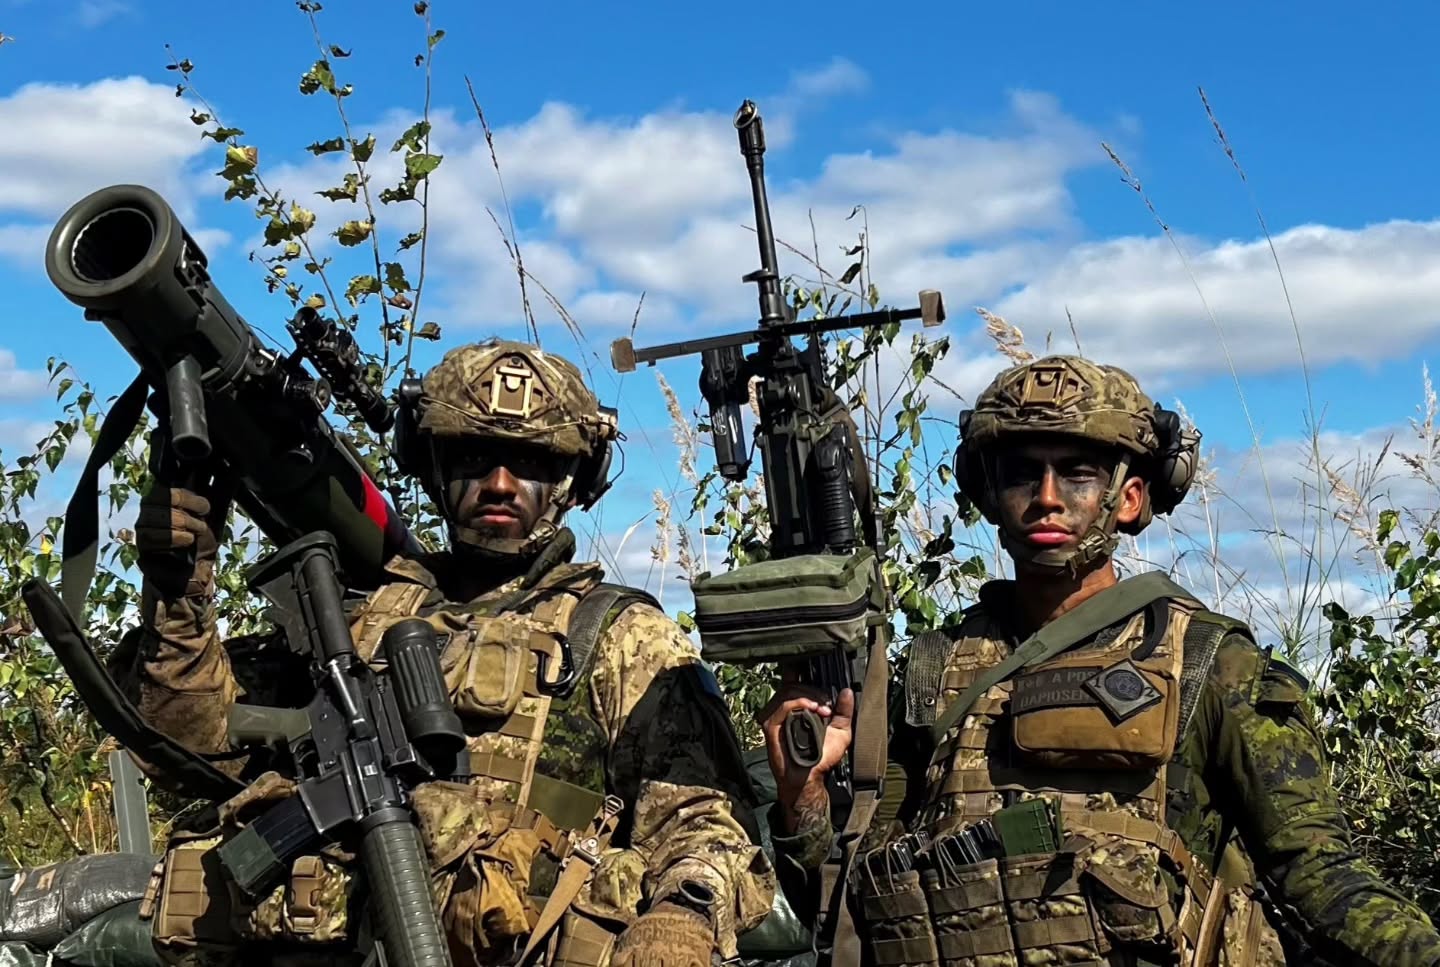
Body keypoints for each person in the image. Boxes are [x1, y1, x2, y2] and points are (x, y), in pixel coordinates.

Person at [2, 339, 776, 967]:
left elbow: (708, 825)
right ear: (435, 465)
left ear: (573, 478)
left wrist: (684, 917)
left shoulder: (618, 637)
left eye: (530, 462)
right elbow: (190, 747)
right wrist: (178, 596)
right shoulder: (360, 615)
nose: (500, 483)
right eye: (474, 455)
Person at [760, 354, 1440, 966]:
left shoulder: (1209, 662)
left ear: (1132, 497)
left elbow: (1321, 874)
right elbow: (853, 904)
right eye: (1025, 472)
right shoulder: (931, 671)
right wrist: (806, 793)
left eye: (1078, 474)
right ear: (992, 494)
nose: (1048, 496)